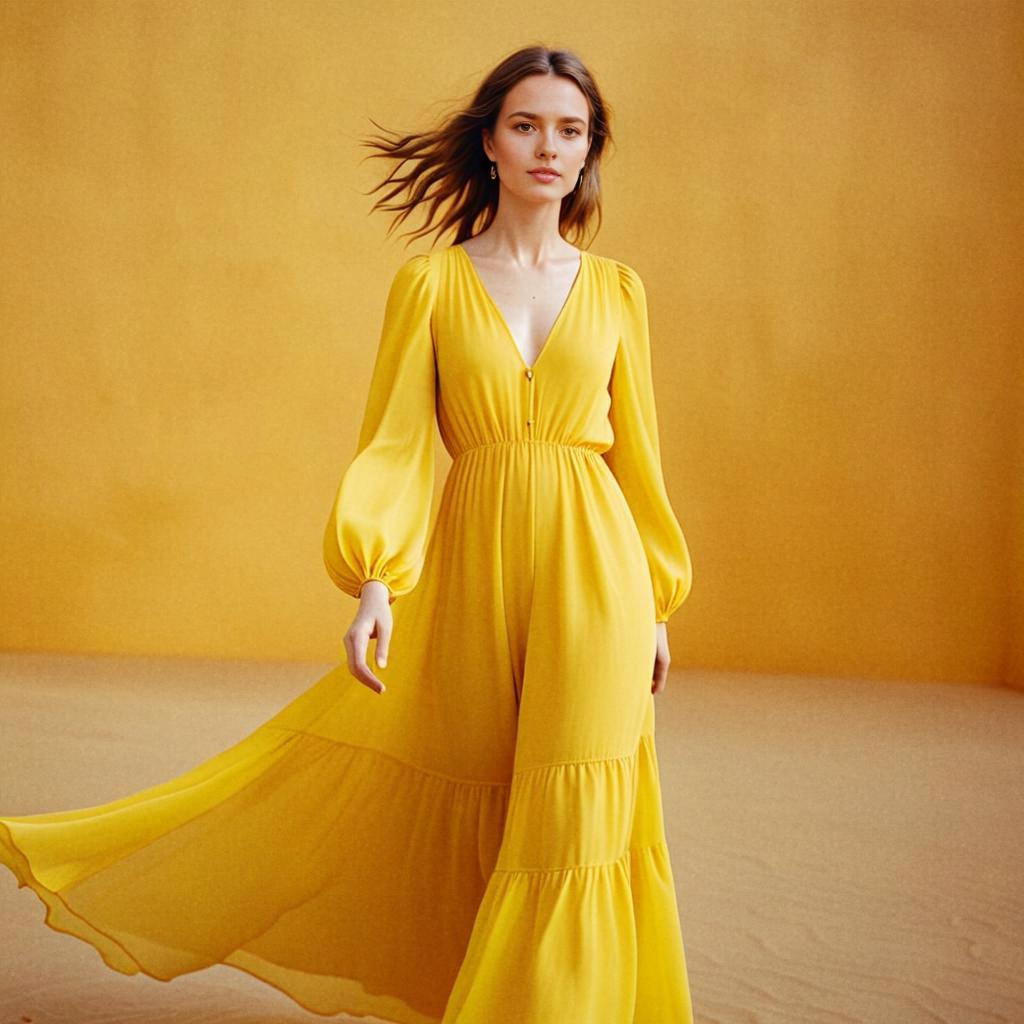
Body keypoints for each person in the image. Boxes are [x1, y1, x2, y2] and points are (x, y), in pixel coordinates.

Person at [0, 44, 695, 1024]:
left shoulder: (620, 292)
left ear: (589, 153)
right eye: (527, 124)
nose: (550, 146)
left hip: (601, 574)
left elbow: (639, 462)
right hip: (472, 568)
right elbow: (400, 445)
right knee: (480, 782)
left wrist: (656, 599)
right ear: (489, 142)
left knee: (574, 803)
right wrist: (375, 581)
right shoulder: (433, 285)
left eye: (571, 130)